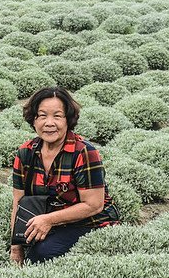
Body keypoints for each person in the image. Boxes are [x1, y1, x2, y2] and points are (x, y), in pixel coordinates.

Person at [9, 86, 120, 265]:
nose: (49, 123)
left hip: (90, 222)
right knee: (27, 248)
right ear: (34, 120)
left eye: (57, 116)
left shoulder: (83, 152)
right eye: (42, 115)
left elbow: (94, 205)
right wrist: (16, 246)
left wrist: (48, 220)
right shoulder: (25, 153)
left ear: (68, 119)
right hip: (48, 219)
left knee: (41, 254)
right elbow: (18, 202)